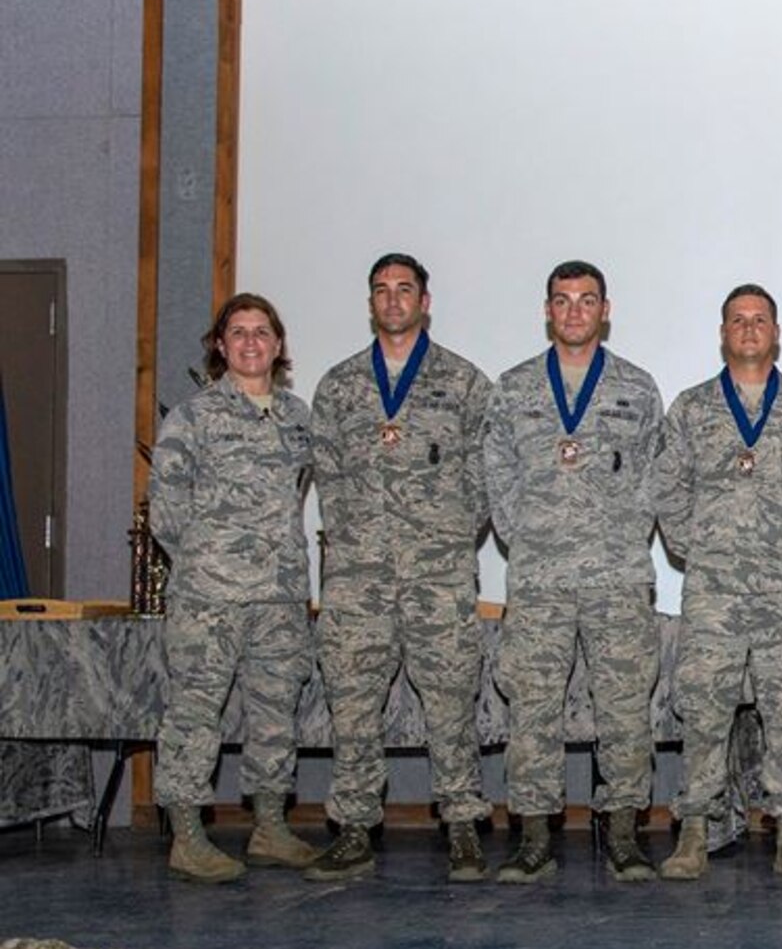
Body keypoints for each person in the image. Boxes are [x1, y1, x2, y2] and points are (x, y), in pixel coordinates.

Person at [306, 254, 493, 883]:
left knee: (450, 702)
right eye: (381, 291)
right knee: (352, 705)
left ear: (425, 301)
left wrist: (442, 540)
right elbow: (327, 475)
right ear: (370, 304)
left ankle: (463, 824)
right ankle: (355, 827)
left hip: (437, 577)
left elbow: (484, 480)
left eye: (404, 289)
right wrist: (361, 542)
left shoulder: (464, 382)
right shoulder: (338, 387)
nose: (393, 300)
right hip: (359, 580)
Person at [483, 260, 666, 883]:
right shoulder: (512, 390)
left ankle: (623, 831)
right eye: (562, 301)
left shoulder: (637, 389)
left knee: (623, 709)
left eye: (586, 301)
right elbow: (497, 476)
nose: (574, 312)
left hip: (617, 575)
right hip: (539, 579)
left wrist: (616, 537)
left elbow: (653, 478)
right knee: (533, 709)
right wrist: (529, 536)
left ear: (605, 310)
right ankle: (533, 835)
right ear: (547, 310)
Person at [654, 284, 782, 882]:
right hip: (715, 590)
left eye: (760, 320)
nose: (750, 329)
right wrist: (700, 548)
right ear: (723, 333)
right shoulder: (692, 408)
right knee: (704, 708)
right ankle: (695, 830)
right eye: (738, 320)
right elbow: (668, 490)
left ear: (776, 333)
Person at [147, 293, 317, 882]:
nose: (250, 342)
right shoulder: (192, 418)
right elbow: (165, 512)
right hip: (210, 601)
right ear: (220, 346)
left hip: (279, 599)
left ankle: (269, 828)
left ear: (278, 344)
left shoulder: (298, 418)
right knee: (195, 715)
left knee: (276, 714)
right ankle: (188, 837)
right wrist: (210, 565)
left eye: (262, 332)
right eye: (238, 333)